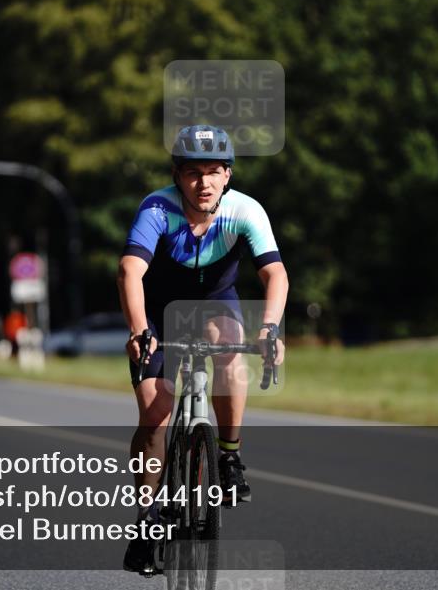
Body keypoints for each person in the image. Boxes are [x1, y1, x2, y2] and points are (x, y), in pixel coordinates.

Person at [118, 124, 288, 573]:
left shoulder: (245, 210)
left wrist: (269, 328)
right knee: (155, 412)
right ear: (177, 175)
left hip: (215, 302)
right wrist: (139, 330)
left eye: (215, 171)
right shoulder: (157, 208)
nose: (204, 182)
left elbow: (276, 275)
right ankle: (146, 518)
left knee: (230, 351)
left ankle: (229, 456)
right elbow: (130, 271)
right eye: (194, 172)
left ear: (228, 175)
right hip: (158, 308)